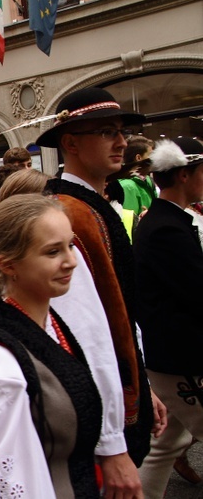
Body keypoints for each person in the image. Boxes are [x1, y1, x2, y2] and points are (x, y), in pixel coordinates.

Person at [37, 87, 162, 492]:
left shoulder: (92, 204)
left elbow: (120, 311)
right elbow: (84, 335)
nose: (122, 142)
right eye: (107, 131)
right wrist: (110, 444)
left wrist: (142, 386)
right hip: (93, 420)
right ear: (70, 143)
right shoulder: (67, 213)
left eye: (121, 131)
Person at [0, 194, 102, 497]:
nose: (71, 261)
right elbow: (10, 486)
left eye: (70, 246)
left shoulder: (49, 322)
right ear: (9, 264)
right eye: (52, 251)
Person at [134, 137, 203, 498]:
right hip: (182, 357)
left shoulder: (167, 221)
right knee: (164, 444)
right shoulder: (165, 228)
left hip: (170, 354)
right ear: (184, 175)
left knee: (164, 445)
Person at [119, 135, 157, 215]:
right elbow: (129, 223)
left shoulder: (148, 181)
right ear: (138, 158)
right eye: (151, 155)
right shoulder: (127, 186)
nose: (155, 159)